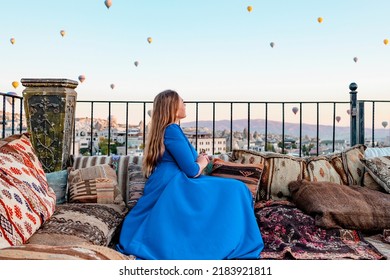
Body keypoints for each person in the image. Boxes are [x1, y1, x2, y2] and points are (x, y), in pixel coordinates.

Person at [116, 89, 264, 260]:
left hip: (171, 181)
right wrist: (202, 161)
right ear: (173, 107)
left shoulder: (166, 130)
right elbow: (192, 171)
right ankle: (233, 240)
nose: (185, 105)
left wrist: (199, 160)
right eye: (182, 102)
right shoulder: (172, 129)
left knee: (233, 189)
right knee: (237, 188)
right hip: (176, 184)